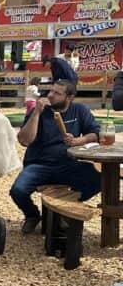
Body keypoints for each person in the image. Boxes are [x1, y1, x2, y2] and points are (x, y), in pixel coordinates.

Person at [10, 78, 101, 233]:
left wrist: (80, 140)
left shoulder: (79, 110)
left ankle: (67, 206)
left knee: (100, 179)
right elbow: (24, 141)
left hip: (68, 164)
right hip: (38, 165)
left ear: (69, 97)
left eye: (57, 93)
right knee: (18, 191)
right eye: (50, 91)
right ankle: (32, 215)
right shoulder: (39, 111)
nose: (51, 95)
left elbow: (96, 134)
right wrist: (36, 113)